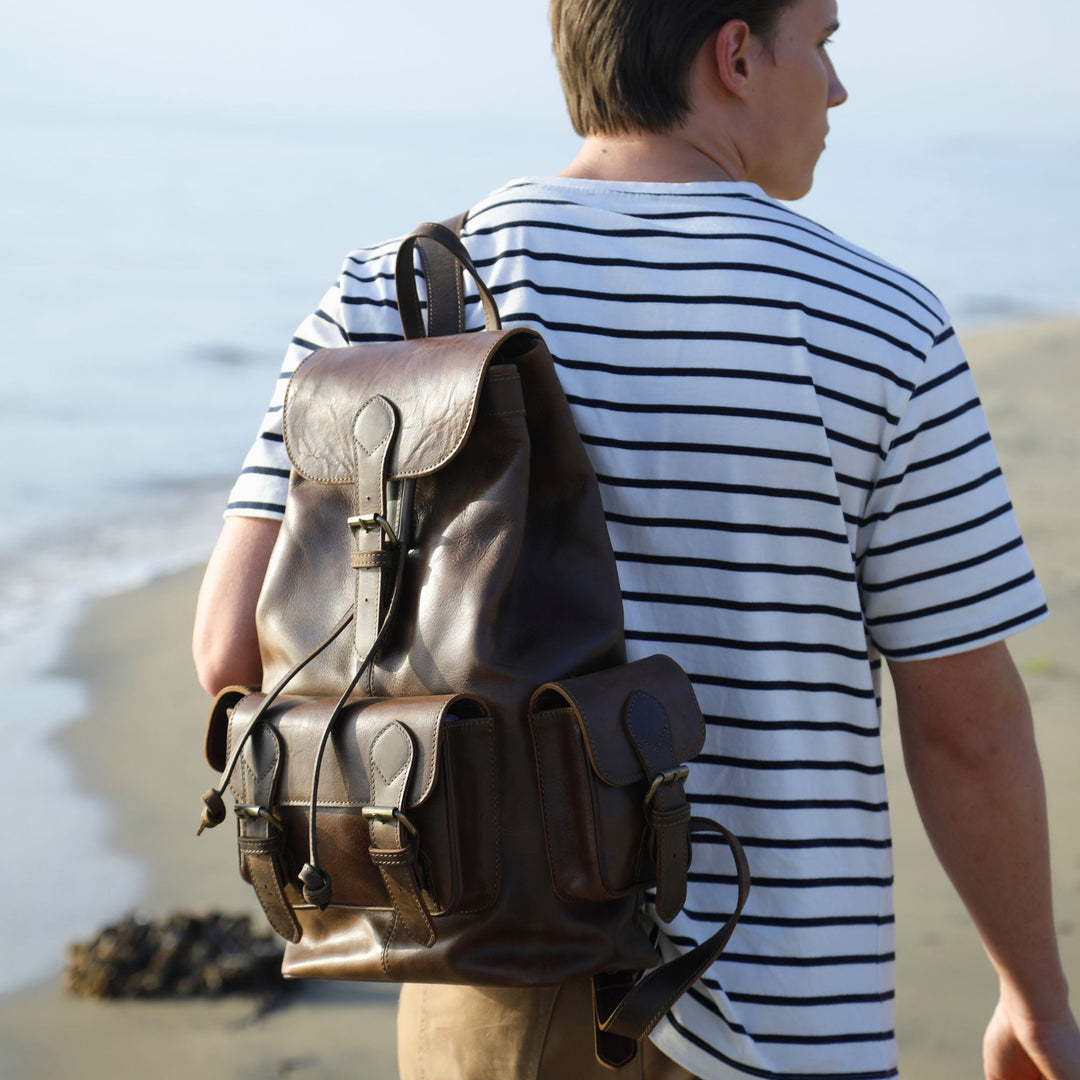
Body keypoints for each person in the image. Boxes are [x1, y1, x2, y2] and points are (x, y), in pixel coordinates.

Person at [193, 0, 1080, 1076]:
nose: (838, 89)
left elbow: (231, 652)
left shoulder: (390, 296)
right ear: (737, 54)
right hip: (786, 1005)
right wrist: (1033, 993)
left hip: (486, 975)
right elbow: (967, 732)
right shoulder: (880, 323)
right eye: (826, 43)